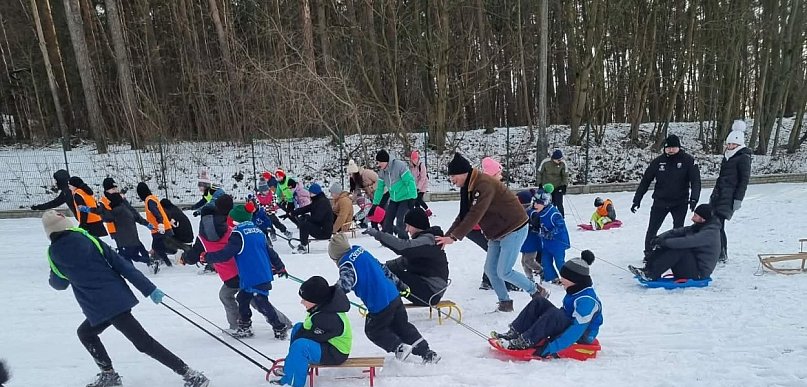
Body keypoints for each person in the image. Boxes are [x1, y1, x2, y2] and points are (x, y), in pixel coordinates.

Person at [42, 210, 210, 387]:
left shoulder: (53, 253)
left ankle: (191, 375)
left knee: (142, 343)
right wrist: (149, 289)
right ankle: (109, 374)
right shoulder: (89, 239)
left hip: (99, 307)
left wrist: (55, 276)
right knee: (88, 333)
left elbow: (59, 284)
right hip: (116, 299)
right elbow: (121, 264)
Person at [436, 153, 547, 312]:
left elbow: (475, 214)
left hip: (513, 227)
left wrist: (454, 237)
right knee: (490, 270)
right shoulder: (468, 187)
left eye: (453, 176)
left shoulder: (483, 184)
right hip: (496, 232)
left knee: (504, 271)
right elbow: (463, 214)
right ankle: (505, 302)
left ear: (463, 173)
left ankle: (537, 291)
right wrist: (448, 235)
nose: (452, 180)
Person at [328, 234, 440, 363]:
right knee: (403, 326)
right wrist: (399, 284)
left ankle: (399, 347)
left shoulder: (347, 264)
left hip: (380, 304)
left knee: (374, 330)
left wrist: (329, 293)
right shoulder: (362, 252)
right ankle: (427, 353)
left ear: (336, 255)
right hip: (394, 295)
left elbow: (344, 285)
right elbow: (383, 268)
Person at [202, 205, 292, 339]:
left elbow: (226, 254)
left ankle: (279, 326)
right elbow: (270, 252)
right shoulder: (257, 231)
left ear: (234, 220)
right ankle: (245, 326)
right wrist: (280, 266)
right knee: (242, 299)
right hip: (258, 274)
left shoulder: (238, 234)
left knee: (261, 302)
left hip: (253, 275)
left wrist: (208, 257)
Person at [492, 251, 602, 357]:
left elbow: (576, 331)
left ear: (575, 280)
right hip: (570, 324)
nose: (561, 279)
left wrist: (549, 348)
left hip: (583, 335)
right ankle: (514, 332)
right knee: (539, 302)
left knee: (555, 314)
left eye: (565, 277)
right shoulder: (576, 290)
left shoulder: (587, 301)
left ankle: (525, 341)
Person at [269, 276, 352, 387]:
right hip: (326, 343)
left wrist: (298, 340)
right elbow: (308, 330)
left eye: (305, 299)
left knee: (301, 346)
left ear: (315, 301)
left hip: (336, 352)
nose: (302, 302)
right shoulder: (320, 307)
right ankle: (291, 369)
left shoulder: (328, 317)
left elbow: (313, 336)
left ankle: (292, 383)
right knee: (298, 328)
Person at [632, 134, 702, 255]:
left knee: (678, 229)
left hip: (680, 202)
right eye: (668, 147)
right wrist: (637, 199)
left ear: (679, 147)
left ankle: (675, 253)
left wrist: (694, 198)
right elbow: (645, 181)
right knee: (652, 228)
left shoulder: (688, 160)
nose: (671, 149)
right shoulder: (658, 162)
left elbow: (696, 181)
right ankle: (648, 253)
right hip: (660, 201)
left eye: (674, 147)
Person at [365, 208, 449, 306]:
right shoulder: (424, 241)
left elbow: (403, 247)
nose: (406, 229)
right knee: (388, 272)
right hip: (426, 288)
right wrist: (380, 267)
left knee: (392, 276)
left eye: (408, 225)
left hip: (431, 293)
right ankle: (380, 301)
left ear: (416, 225)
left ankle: (381, 305)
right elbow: (404, 261)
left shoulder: (428, 241)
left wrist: (378, 234)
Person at [629, 204, 721, 281]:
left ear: (703, 219)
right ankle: (647, 270)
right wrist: (659, 238)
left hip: (698, 274)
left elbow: (687, 242)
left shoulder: (709, 233)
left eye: (695, 216)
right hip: (691, 267)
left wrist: (665, 242)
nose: (692, 218)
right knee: (667, 244)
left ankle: (651, 275)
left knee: (679, 248)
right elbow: (678, 231)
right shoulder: (699, 226)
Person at [474, 157, 520, 292]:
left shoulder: (490, 186)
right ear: (492, 174)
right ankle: (492, 281)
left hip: (481, 228)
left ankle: (489, 280)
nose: (501, 176)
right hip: (476, 228)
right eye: (499, 173)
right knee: (496, 254)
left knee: (494, 253)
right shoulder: (487, 188)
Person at [709, 120, 752, 262]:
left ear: (739, 144)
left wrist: (738, 199)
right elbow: (722, 177)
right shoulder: (727, 157)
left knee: (718, 225)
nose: (730, 146)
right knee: (714, 224)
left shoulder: (743, 158)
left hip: (730, 196)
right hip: (719, 195)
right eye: (728, 144)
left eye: (733, 144)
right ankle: (718, 252)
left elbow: (743, 180)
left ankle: (721, 253)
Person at [370, 150, 417, 240]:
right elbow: (379, 189)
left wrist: (413, 197)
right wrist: (375, 204)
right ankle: (388, 240)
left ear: (385, 161)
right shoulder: (382, 172)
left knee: (400, 220)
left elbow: (410, 181)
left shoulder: (399, 166)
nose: (378, 164)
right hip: (394, 199)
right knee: (387, 220)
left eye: (379, 162)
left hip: (405, 198)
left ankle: (404, 240)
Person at [100, 189, 154, 267]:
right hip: (130, 235)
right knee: (133, 255)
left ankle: (133, 270)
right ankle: (149, 261)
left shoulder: (116, 210)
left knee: (128, 256)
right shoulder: (124, 207)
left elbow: (107, 217)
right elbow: (135, 215)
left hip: (124, 238)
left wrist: (99, 208)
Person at [532, 189, 570, 285]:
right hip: (547, 243)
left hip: (558, 243)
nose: (535, 205)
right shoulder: (539, 213)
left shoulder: (554, 213)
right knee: (545, 261)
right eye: (534, 203)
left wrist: (552, 233)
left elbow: (561, 226)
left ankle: (567, 279)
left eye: (538, 203)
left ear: (545, 203)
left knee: (559, 262)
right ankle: (553, 278)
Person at [136, 182, 174, 269]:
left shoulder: (149, 201)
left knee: (158, 247)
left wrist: (160, 223)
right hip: (161, 228)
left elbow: (156, 212)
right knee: (158, 247)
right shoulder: (152, 198)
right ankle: (168, 263)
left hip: (160, 228)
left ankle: (172, 257)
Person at [292, 183, 335, 254]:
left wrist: (306, 217)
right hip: (320, 227)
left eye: (310, 192)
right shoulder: (318, 200)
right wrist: (293, 213)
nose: (309, 194)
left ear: (315, 193)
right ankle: (303, 243)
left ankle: (303, 246)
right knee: (304, 222)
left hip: (324, 232)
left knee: (305, 224)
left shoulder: (322, 202)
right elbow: (307, 208)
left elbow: (317, 218)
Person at [257, 174, 293, 240]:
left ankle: (285, 231)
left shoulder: (271, 194)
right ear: (261, 191)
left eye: (267, 190)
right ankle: (272, 233)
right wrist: (264, 207)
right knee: (268, 224)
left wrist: (267, 206)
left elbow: (274, 202)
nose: (266, 192)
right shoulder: (258, 197)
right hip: (263, 214)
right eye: (265, 191)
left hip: (271, 212)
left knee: (276, 222)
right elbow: (258, 205)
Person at [521, 192, 544, 284]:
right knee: (523, 261)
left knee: (528, 260)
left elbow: (538, 222)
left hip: (532, 240)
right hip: (524, 239)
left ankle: (542, 271)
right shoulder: (522, 211)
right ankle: (529, 279)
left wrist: (534, 227)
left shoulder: (532, 212)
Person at [538, 150, 569, 217]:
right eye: (558, 160)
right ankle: (547, 217)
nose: (560, 161)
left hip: (558, 186)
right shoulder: (545, 162)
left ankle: (561, 217)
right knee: (548, 203)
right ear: (553, 159)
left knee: (559, 203)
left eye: (561, 159)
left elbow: (565, 175)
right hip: (547, 187)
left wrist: (564, 185)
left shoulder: (563, 163)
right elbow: (539, 173)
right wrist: (540, 184)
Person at [409, 151, 431, 216]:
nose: (414, 161)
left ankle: (427, 210)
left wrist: (419, 187)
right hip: (416, 185)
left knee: (418, 198)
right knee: (415, 201)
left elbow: (423, 178)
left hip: (423, 185)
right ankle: (418, 213)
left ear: (418, 158)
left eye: (415, 159)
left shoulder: (421, 165)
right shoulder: (412, 167)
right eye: (413, 159)